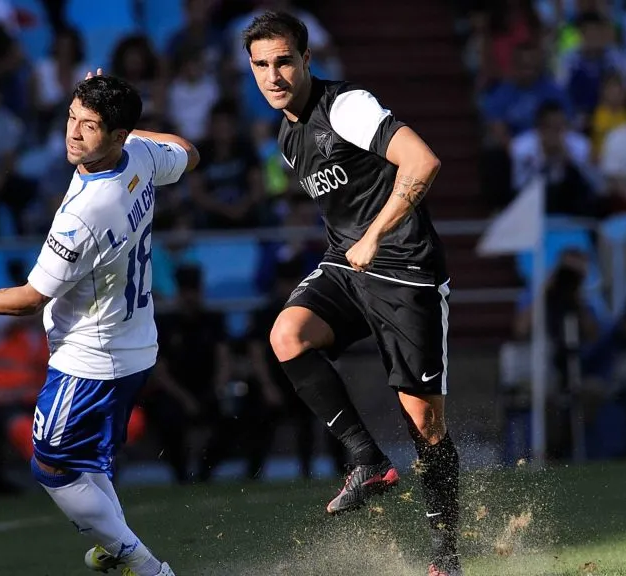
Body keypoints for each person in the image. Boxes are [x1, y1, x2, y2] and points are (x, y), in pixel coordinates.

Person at [0, 72, 199, 576]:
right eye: (72, 117)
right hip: (134, 341)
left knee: (50, 465)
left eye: (89, 126)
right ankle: (113, 542)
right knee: (86, 461)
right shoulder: (140, 156)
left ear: (115, 136)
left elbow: (29, 299)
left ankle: (143, 564)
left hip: (90, 357)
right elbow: (187, 151)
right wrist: (126, 127)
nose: (73, 133)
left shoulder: (88, 213)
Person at [242, 12, 461, 576]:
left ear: (308, 59)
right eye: (261, 65)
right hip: (348, 266)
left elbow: (422, 161)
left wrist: (374, 236)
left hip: (405, 269)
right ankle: (368, 460)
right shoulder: (287, 135)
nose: (274, 75)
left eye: (284, 60)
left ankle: (446, 558)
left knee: (424, 422)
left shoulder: (346, 106)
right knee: (287, 334)